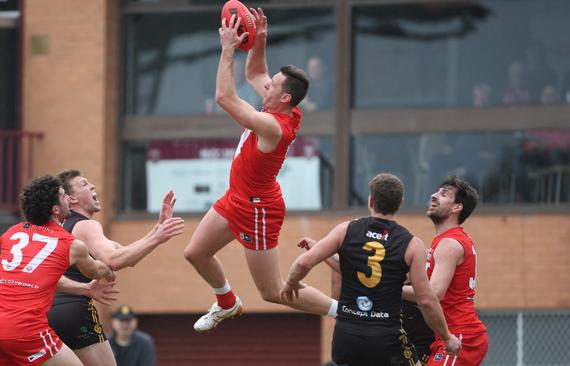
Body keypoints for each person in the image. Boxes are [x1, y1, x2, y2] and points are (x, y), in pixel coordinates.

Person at [184, 8, 338, 332]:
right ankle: (226, 302)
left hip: (258, 208)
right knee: (195, 253)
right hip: (237, 197)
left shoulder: (273, 125)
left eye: (274, 85)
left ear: (285, 97)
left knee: (272, 291)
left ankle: (344, 313)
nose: (265, 86)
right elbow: (255, 73)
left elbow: (224, 97)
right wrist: (260, 41)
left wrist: (227, 48)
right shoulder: (279, 103)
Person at [284, 173, 461, 365]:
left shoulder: (345, 230)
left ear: (371, 200)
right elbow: (426, 299)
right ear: (400, 203)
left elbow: (303, 263)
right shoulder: (411, 244)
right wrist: (446, 338)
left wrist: (291, 283)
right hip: (385, 338)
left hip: (346, 337)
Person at [47, 170, 184, 366]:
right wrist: (158, 237)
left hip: (45, 314)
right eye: (84, 184)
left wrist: (157, 230)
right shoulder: (86, 226)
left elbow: (126, 255)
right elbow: (113, 260)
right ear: (72, 199)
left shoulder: (60, 227)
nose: (92, 186)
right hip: (73, 310)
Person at [0, 175, 115, 366]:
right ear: (55, 209)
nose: (67, 198)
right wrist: (109, 272)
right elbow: (95, 271)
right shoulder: (70, 244)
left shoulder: (10, 234)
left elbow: (42, 276)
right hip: (26, 330)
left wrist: (84, 289)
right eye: (62, 195)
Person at [403, 176, 489, 365]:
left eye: (444, 194)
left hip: (460, 335)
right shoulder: (445, 242)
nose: (434, 196)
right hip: (452, 334)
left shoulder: (449, 244)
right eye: (436, 191)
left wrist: (389, 289)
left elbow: (433, 294)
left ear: (457, 207)